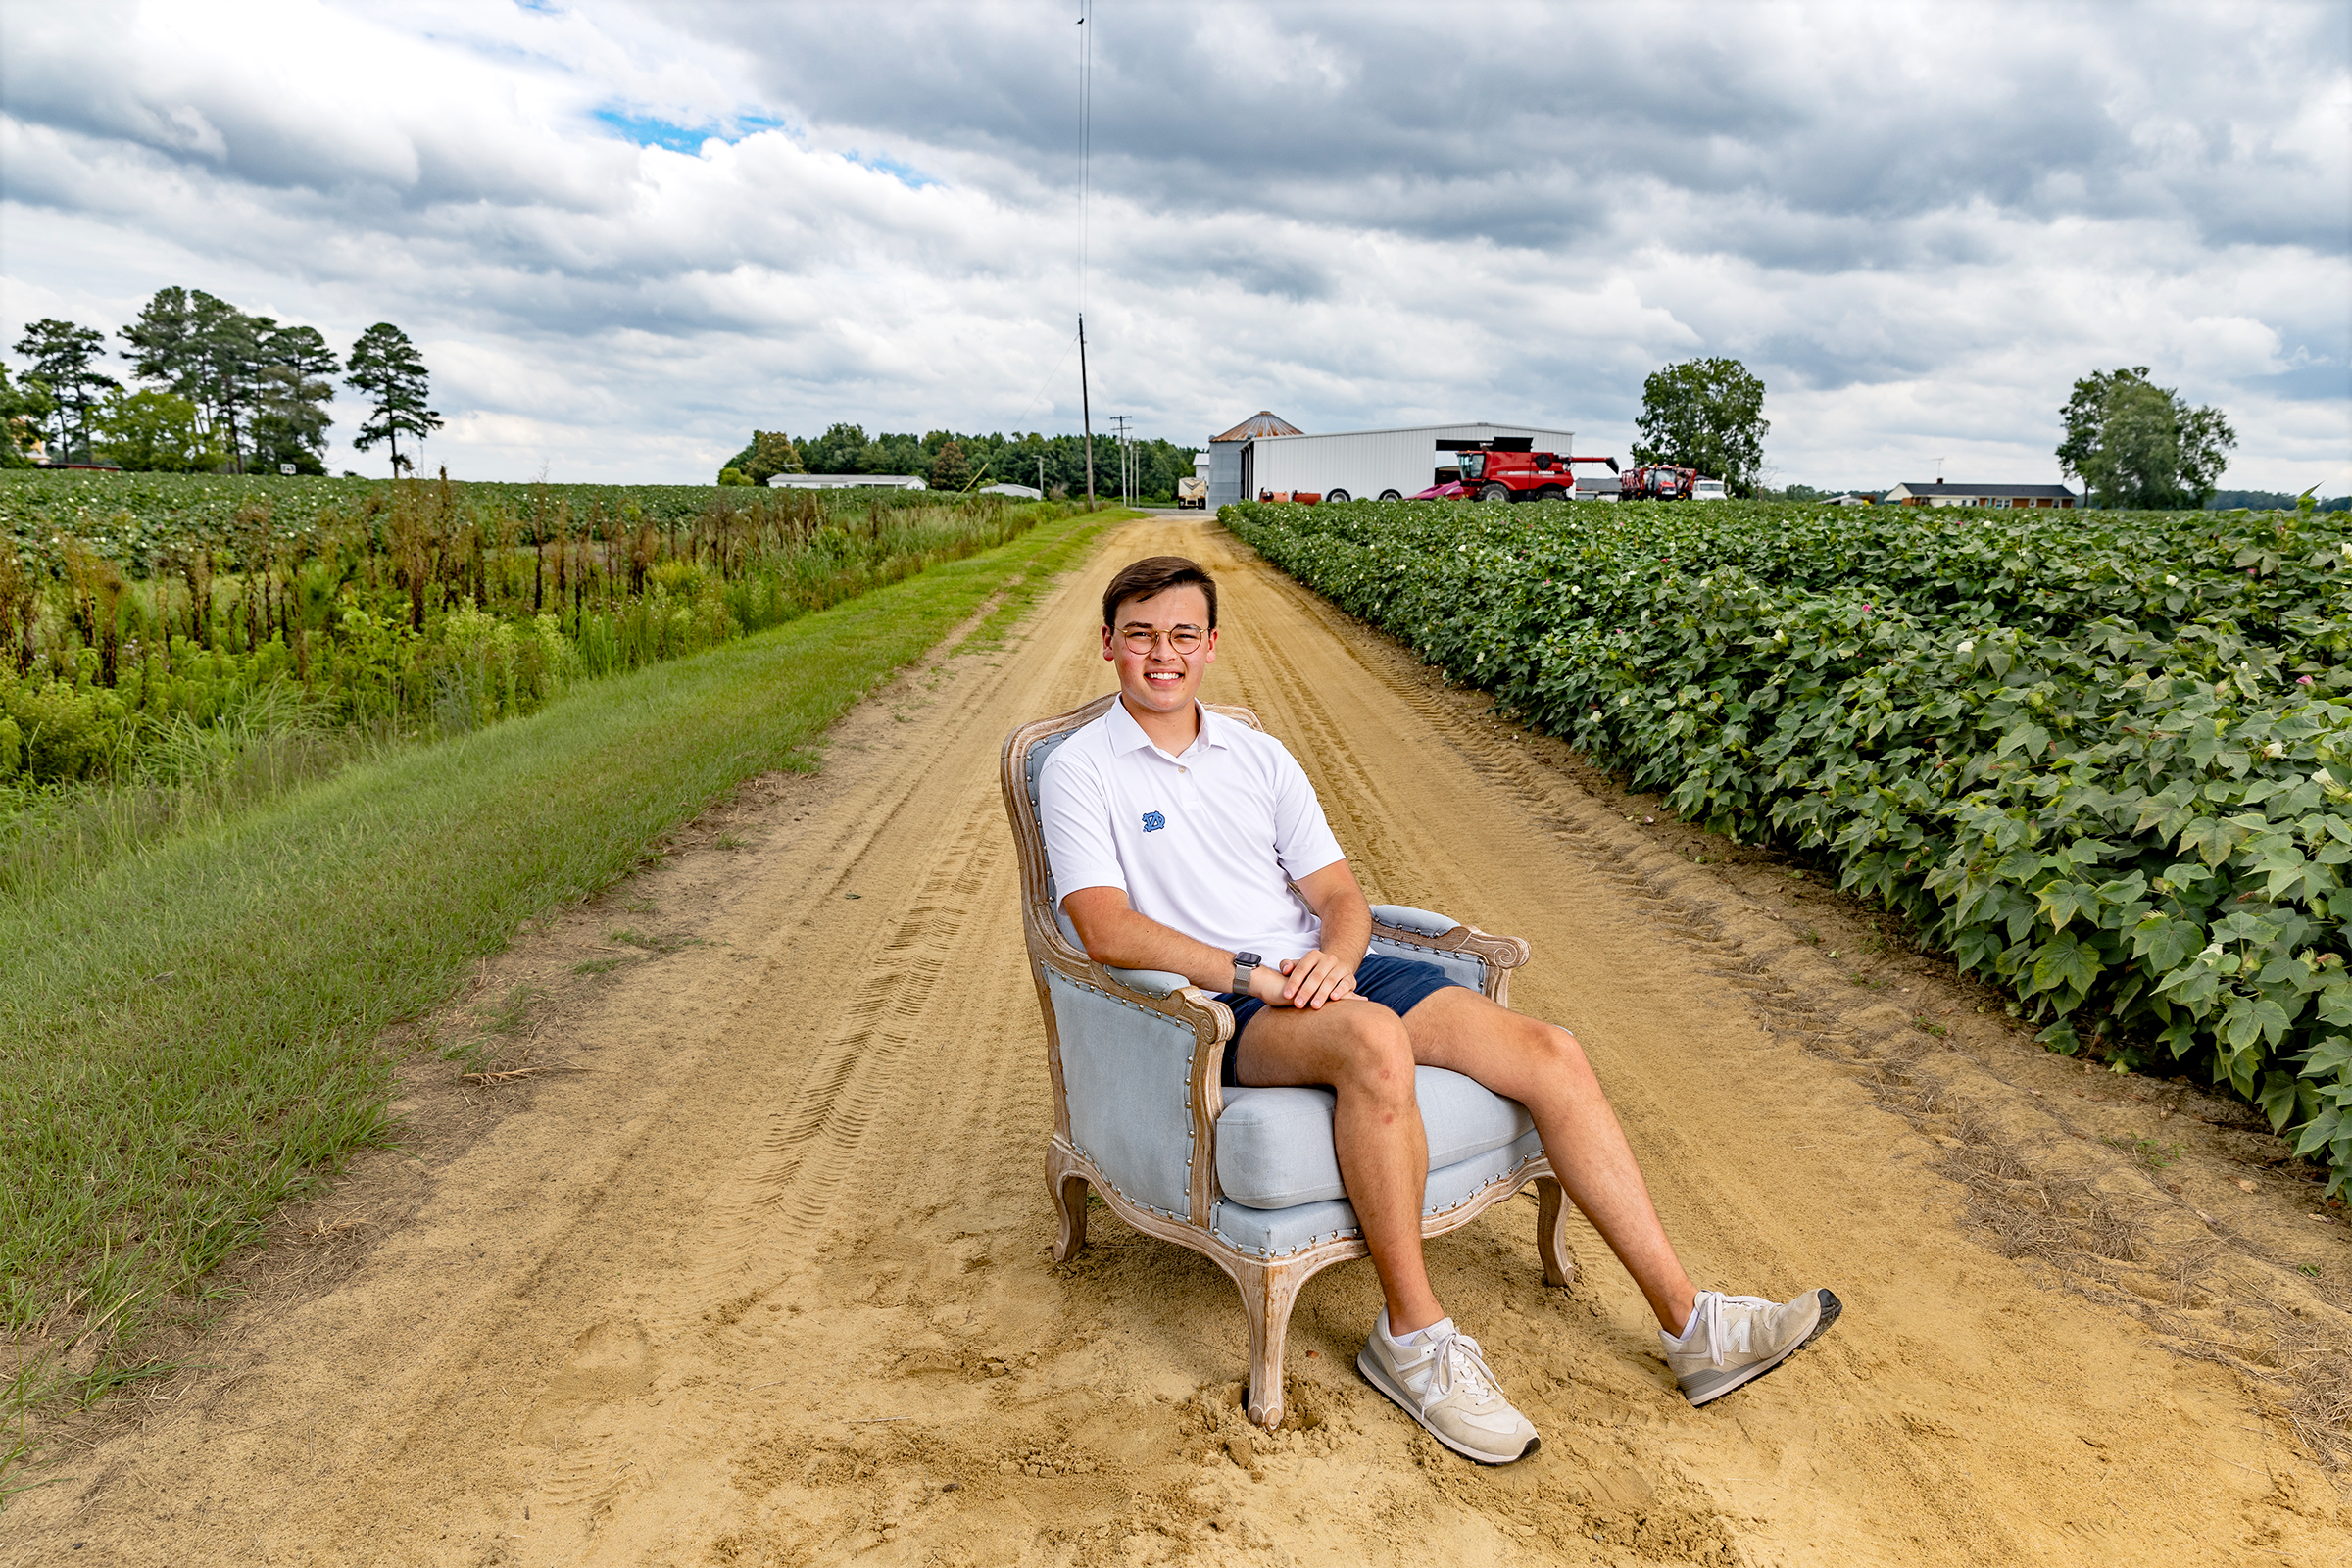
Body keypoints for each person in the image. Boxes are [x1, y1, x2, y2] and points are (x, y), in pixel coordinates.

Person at [1038, 555, 1841, 1466]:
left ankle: (1690, 1323)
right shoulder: (1081, 768)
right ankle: (1413, 1339)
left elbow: (1341, 896)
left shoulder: (1258, 756)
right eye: (1140, 634)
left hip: (1324, 974)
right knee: (1375, 1044)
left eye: (1183, 634)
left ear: (1211, 647)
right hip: (1214, 1001)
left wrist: (1335, 962)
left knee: (1551, 1050)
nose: (1162, 654)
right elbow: (1104, 930)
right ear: (1109, 645)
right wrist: (1260, 974)